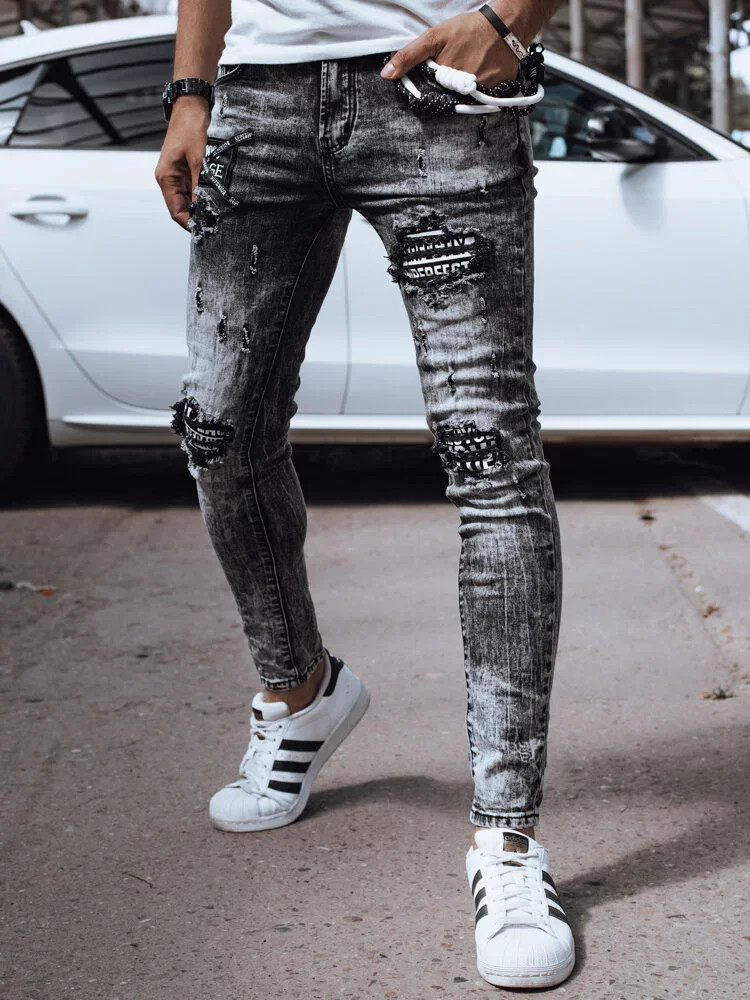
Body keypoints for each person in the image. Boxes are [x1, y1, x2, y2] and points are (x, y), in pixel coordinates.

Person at [155, 0, 573, 988]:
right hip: (257, 99)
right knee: (219, 430)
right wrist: (190, 91)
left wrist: (511, 21)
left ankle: (507, 836)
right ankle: (300, 691)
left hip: (442, 89)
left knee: (490, 455)